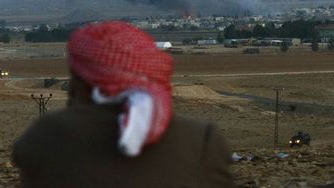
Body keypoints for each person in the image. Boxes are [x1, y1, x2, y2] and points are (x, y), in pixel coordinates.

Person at [13, 21, 234, 188]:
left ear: (85, 82)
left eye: (75, 78)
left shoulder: (48, 135)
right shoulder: (202, 140)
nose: (70, 89)